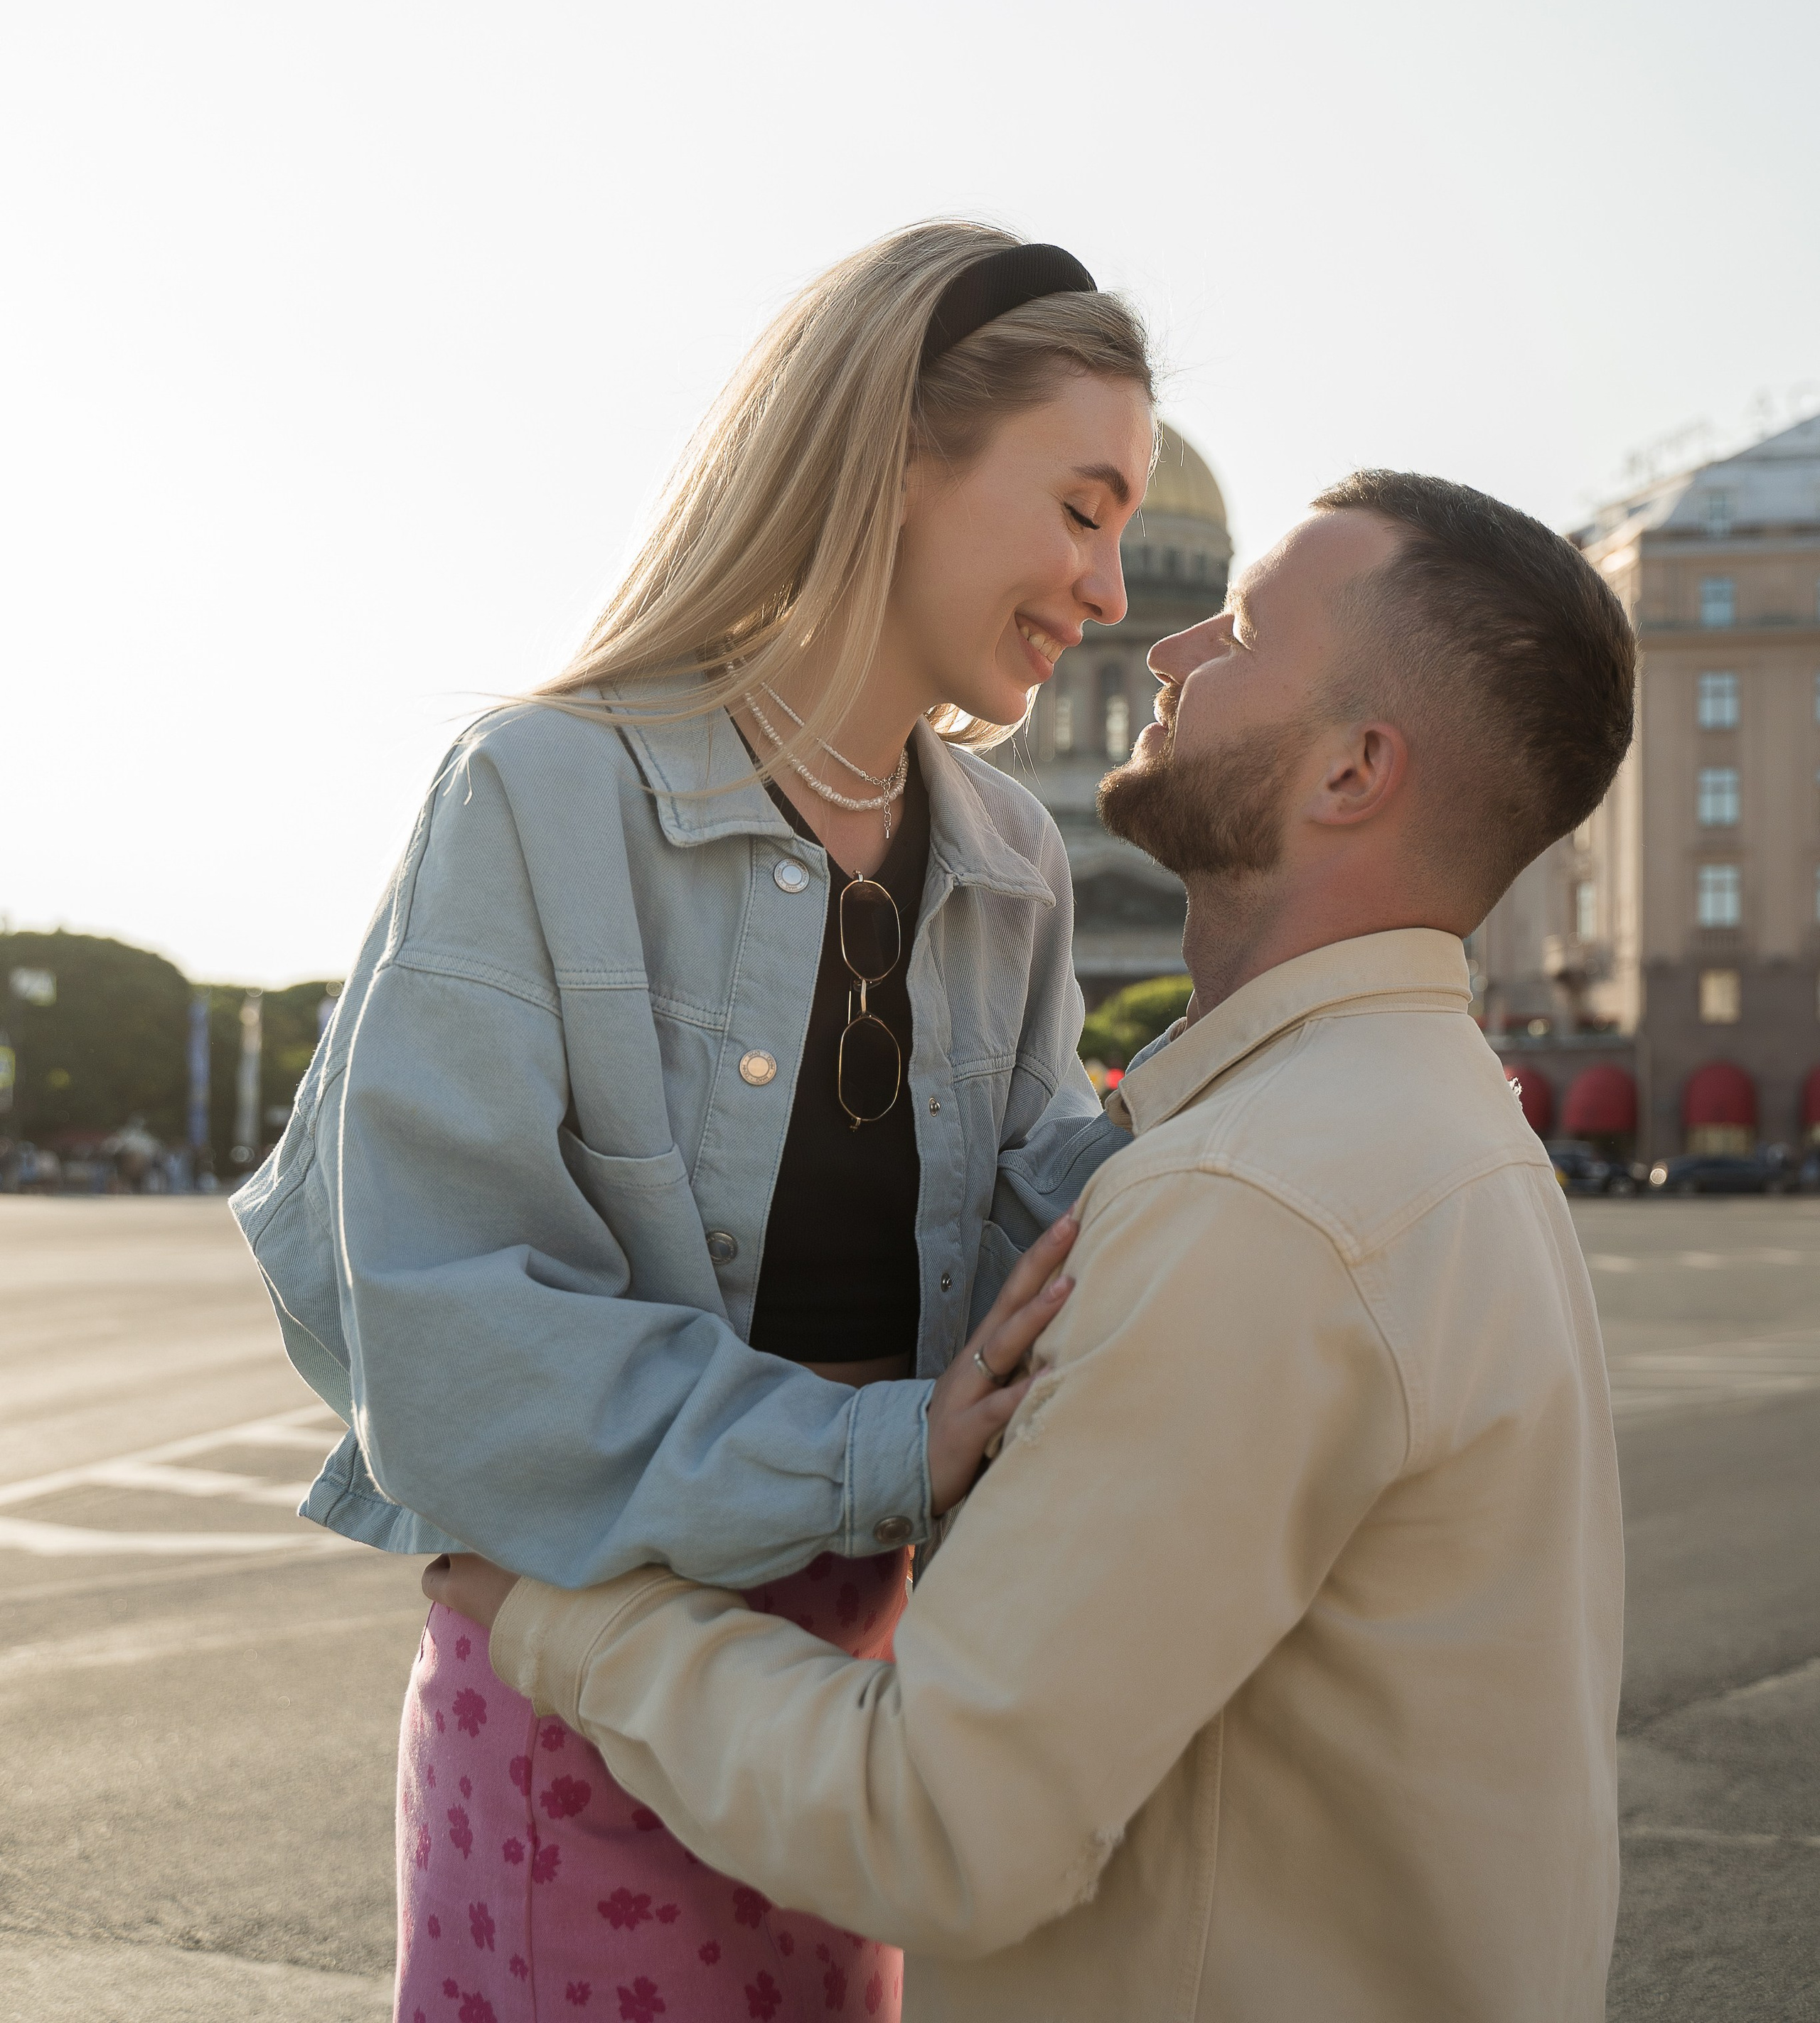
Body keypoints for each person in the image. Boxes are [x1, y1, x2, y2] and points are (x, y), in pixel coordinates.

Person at [429, 469, 1638, 2023]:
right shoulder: (1422, 1127)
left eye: (1240, 627)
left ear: (1352, 769)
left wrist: (551, 1613)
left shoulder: (1258, 1206)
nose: (1160, 646)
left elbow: (939, 1824)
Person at [230, 222, 1157, 2023]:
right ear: (898, 456)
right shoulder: (544, 787)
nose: (1107, 587)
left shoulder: (1015, 861)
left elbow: (1049, 1264)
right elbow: (445, 1338)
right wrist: (877, 1455)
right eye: (1078, 506)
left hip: (867, 1723)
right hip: (586, 1682)